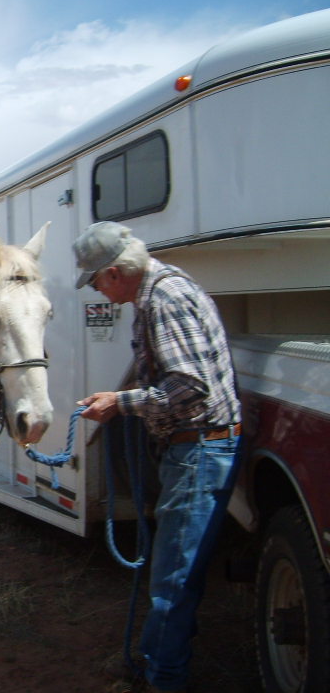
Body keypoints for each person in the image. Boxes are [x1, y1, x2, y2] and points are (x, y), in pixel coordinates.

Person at [73, 221, 241, 693]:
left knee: (173, 577)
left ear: (115, 272)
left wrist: (120, 403)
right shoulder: (162, 290)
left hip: (199, 448)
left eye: (96, 281)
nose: (98, 292)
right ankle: (153, 661)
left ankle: (162, 679)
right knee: (171, 570)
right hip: (195, 447)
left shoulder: (163, 299)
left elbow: (190, 386)